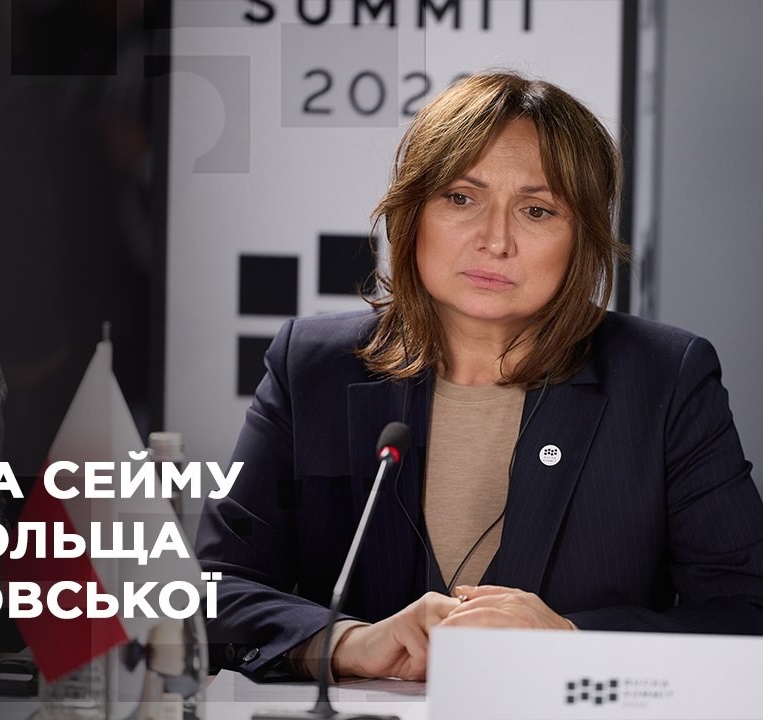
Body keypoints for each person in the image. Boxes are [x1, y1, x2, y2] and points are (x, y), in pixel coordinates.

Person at [195, 71, 763, 683]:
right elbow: (212, 590)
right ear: (412, 212)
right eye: (461, 199)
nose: (495, 241)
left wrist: (574, 640)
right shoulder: (313, 366)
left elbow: (747, 611)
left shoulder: (663, 378)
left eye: (537, 210)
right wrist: (347, 642)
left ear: (582, 239)